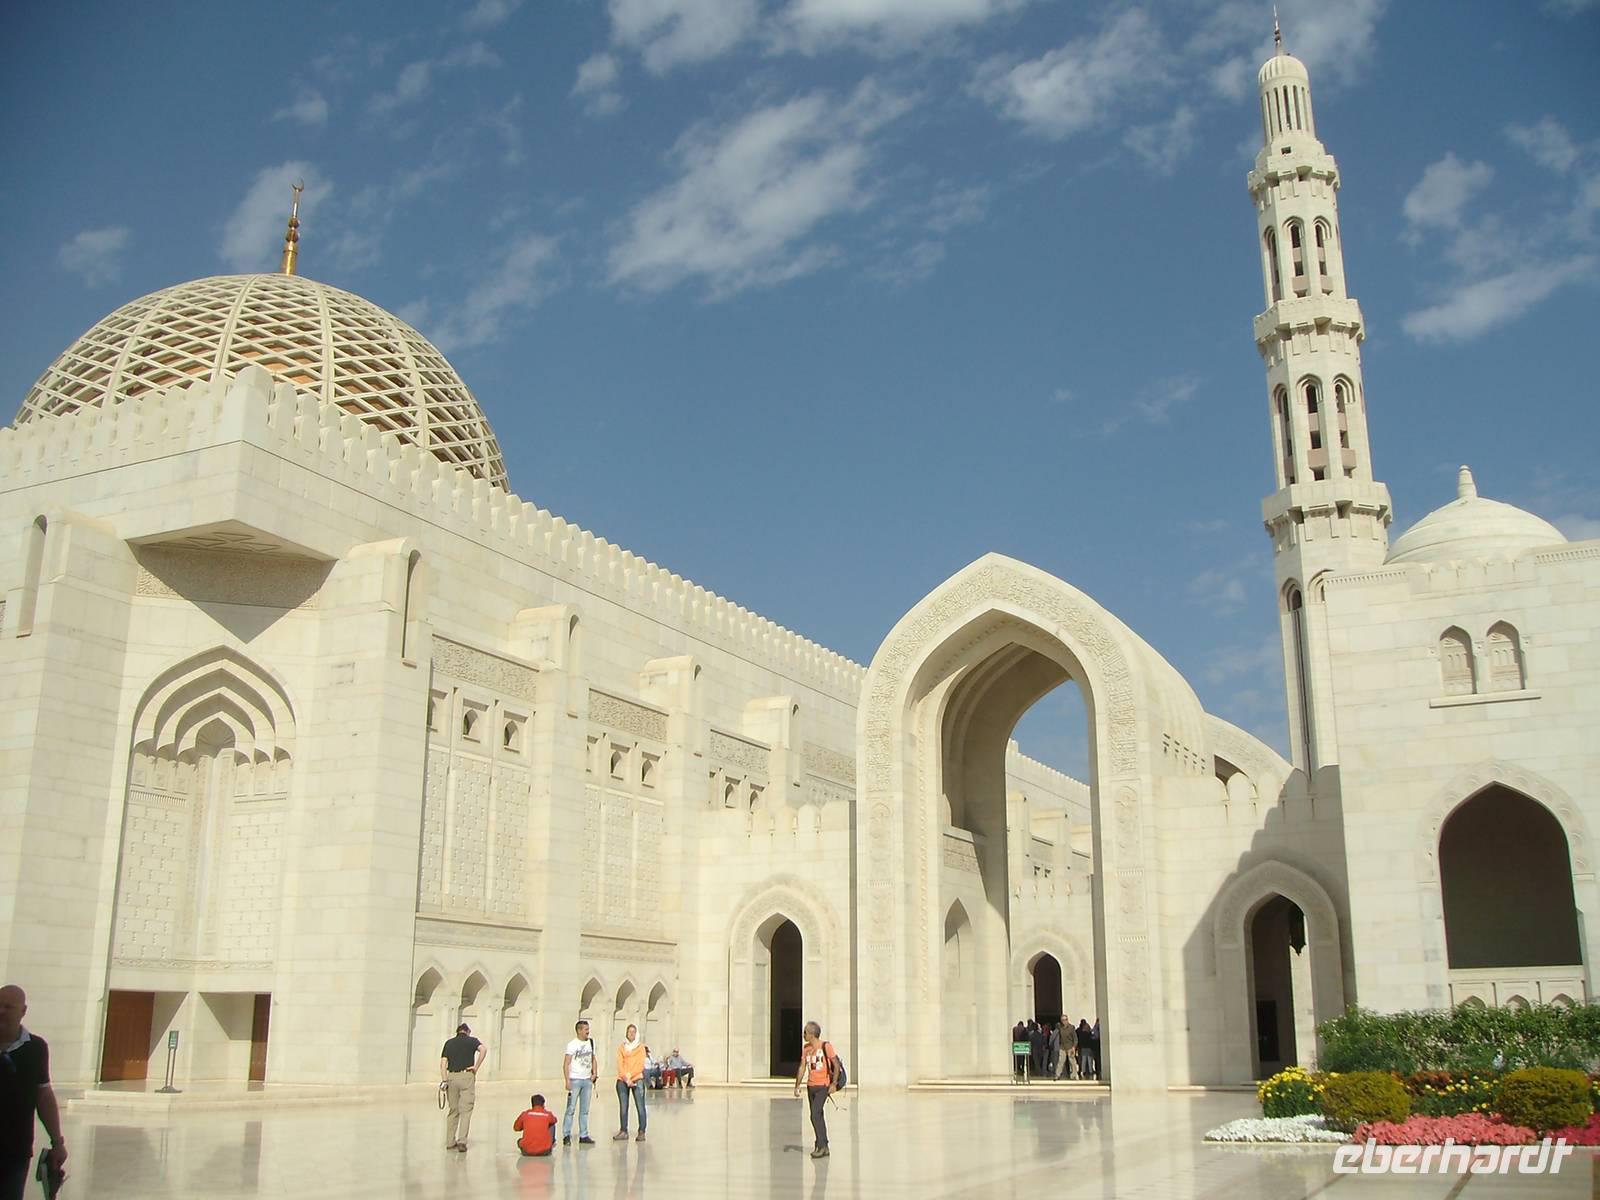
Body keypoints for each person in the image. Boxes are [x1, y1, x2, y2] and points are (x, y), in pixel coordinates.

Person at [0, 986, 66, 1200]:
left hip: (15, 1150)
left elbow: (44, 1096)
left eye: (8, 1007)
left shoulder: (36, 1048)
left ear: (23, 1011)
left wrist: (57, 1142)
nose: (1, 1011)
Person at [793, 1021, 840, 1160]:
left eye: (805, 1032)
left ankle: (820, 1145)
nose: (803, 1034)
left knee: (815, 1114)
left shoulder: (826, 1046)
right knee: (817, 1115)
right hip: (811, 1086)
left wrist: (834, 1084)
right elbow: (802, 1067)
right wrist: (797, 1085)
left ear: (812, 1034)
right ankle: (823, 1146)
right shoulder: (806, 1048)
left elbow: (836, 1065)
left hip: (822, 1086)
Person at [439, 1021, 485, 1152]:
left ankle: (449, 1141)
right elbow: (483, 1049)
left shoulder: (449, 1043)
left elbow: (443, 1064)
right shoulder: (472, 1041)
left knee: (453, 1110)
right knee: (466, 1111)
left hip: (452, 1077)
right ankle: (462, 1141)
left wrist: (444, 1080)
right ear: (468, 1031)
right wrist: (476, 1066)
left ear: (457, 1032)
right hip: (467, 1076)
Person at [562, 1019, 597, 1145]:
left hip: (587, 1080)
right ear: (579, 1030)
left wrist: (594, 1074)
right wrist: (567, 1080)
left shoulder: (591, 1043)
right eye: (586, 1029)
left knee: (585, 1110)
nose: (588, 1032)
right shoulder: (572, 1044)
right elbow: (566, 1063)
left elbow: (593, 1059)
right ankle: (566, 1134)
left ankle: (584, 1134)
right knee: (570, 1109)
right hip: (575, 1079)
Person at [613, 1024, 647, 1142]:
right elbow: (620, 1064)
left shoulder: (641, 1047)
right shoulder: (622, 1047)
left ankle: (641, 1131)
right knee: (623, 1106)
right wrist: (625, 1078)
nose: (631, 1034)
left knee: (640, 1106)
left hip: (637, 1078)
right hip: (623, 1080)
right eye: (629, 1032)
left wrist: (631, 1077)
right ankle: (623, 1131)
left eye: (633, 1032)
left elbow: (640, 1064)